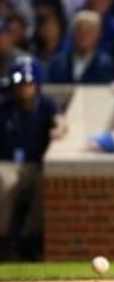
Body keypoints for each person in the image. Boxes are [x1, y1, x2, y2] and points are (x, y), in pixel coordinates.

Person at [0, 57, 66, 259]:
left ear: (36, 83)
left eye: (27, 83)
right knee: (4, 181)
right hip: (7, 164)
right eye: (19, 84)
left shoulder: (46, 105)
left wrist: (59, 129)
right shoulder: (5, 106)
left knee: (44, 184)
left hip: (35, 164)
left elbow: (60, 122)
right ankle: (3, 240)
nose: (23, 88)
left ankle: (29, 239)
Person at [47, 10, 114, 83]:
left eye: (89, 31)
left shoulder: (106, 64)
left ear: (98, 35)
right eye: (80, 30)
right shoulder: (58, 63)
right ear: (73, 33)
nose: (84, 35)